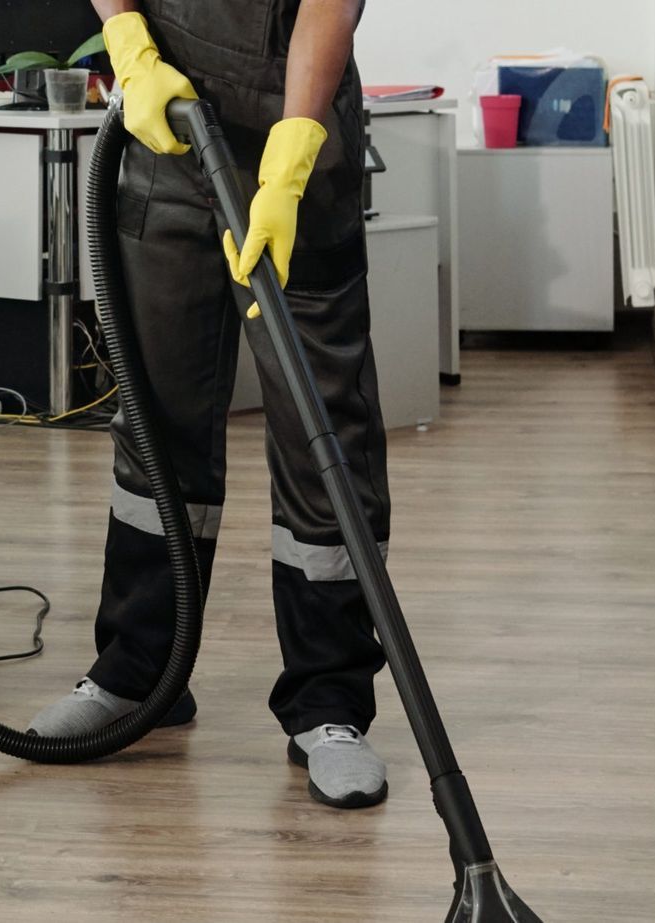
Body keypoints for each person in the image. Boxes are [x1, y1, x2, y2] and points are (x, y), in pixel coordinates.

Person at [28, 0, 391, 811]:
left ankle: (329, 705)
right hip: (168, 135)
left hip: (298, 130)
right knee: (156, 421)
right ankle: (136, 672)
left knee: (320, 428)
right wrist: (129, 43)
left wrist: (293, 159)